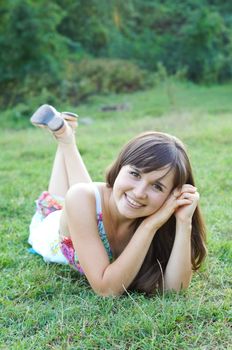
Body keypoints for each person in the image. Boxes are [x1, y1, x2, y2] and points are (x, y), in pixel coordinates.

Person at [28, 104, 207, 296]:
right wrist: (149, 226)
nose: (139, 192)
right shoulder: (82, 199)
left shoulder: (162, 216)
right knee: (75, 196)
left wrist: (183, 221)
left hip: (92, 206)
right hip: (52, 228)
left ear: (173, 194)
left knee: (85, 196)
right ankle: (65, 139)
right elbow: (106, 289)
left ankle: (65, 135)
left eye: (157, 186)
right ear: (120, 166)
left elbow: (174, 290)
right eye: (135, 174)